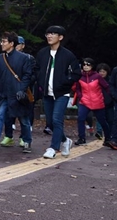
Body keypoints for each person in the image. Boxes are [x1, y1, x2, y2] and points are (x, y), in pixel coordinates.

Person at [0, 32, 33, 154]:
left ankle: (27, 141)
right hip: (4, 93)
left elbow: (28, 75)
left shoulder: (23, 58)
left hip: (17, 94)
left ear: (11, 43)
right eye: (1, 41)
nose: (2, 43)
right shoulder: (0, 58)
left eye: (4, 41)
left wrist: (21, 89)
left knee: (24, 119)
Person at [35, 25, 80, 159]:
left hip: (62, 93)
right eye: (48, 34)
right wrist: (40, 80)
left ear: (60, 37)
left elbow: (76, 73)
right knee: (50, 122)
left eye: (53, 34)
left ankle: (53, 148)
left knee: (56, 120)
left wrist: (64, 82)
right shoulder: (43, 53)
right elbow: (37, 69)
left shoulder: (68, 55)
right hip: (47, 93)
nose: (49, 36)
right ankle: (66, 141)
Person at [73, 58, 112, 147]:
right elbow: (77, 88)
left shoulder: (97, 76)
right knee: (81, 119)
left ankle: (108, 138)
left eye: (88, 64)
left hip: (97, 101)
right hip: (84, 101)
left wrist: (110, 97)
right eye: (84, 64)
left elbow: (106, 87)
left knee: (102, 121)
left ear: (92, 66)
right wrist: (80, 96)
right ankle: (81, 138)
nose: (86, 66)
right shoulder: (80, 76)